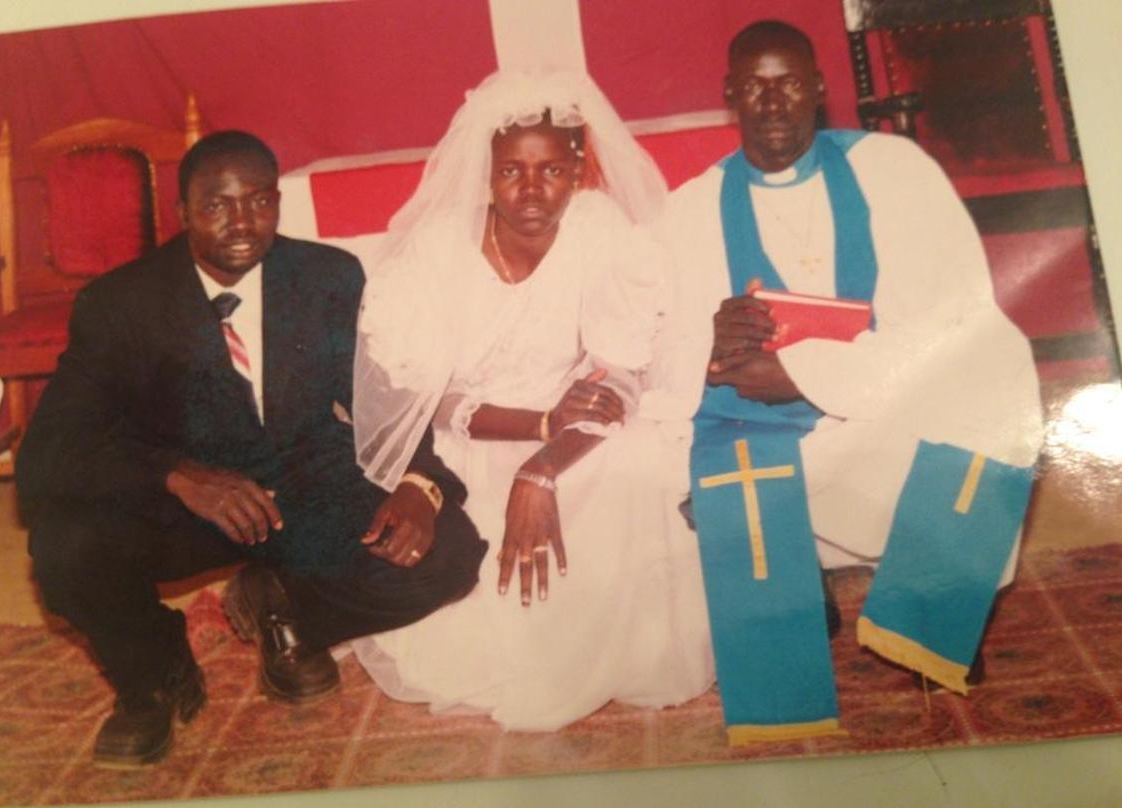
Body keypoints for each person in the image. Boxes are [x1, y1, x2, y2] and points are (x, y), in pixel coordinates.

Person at [16, 131, 486, 768]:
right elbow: (46, 454)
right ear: (182, 213)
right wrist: (177, 475)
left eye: (260, 202)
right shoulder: (120, 304)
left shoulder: (328, 276)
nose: (242, 223)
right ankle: (154, 675)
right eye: (217, 206)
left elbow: (386, 390)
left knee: (449, 552)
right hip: (184, 505)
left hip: (305, 481)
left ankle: (283, 607)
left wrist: (418, 483)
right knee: (63, 546)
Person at [646, 22, 1043, 740]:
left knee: (997, 368)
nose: (773, 103)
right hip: (767, 428)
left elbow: (953, 320)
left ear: (821, 88)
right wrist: (705, 339)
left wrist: (802, 372)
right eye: (755, 86)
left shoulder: (896, 171)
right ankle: (799, 578)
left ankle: (933, 597)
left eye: (791, 82)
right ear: (730, 94)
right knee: (716, 474)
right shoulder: (690, 209)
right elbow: (660, 342)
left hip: (883, 407)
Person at [350, 71, 714, 731]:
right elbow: (431, 400)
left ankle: (603, 645)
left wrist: (543, 461)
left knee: (629, 463)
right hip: (474, 438)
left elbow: (623, 374)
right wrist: (535, 427)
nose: (531, 190)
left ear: (578, 170)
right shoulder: (438, 249)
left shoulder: (601, 230)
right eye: (512, 171)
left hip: (576, 433)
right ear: (484, 176)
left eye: (551, 170)